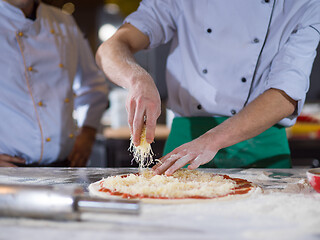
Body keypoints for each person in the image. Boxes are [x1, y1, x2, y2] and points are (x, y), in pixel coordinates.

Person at [96, 0, 320, 175]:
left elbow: (285, 93)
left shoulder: (304, 4)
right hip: (185, 145)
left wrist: (211, 140)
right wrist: (137, 80)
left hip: (262, 145)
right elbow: (110, 48)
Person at [0, 0, 108, 167]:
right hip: (8, 172)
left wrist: (88, 132)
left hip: (65, 166)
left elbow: (92, 84)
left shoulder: (64, 22)